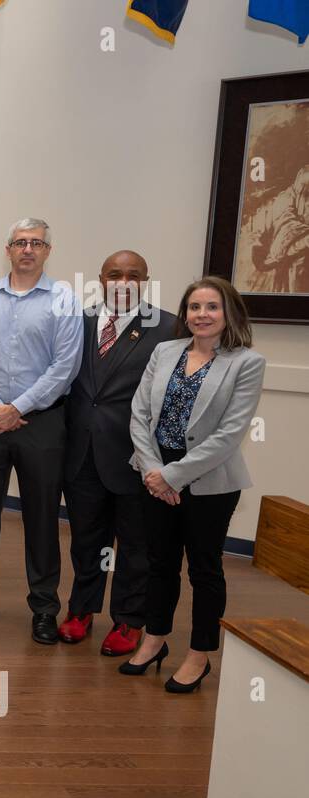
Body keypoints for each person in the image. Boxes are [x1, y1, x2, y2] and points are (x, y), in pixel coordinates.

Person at [125, 277, 265, 693]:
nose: (201, 315)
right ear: (184, 313)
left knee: (204, 570)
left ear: (229, 314)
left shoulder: (246, 362)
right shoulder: (164, 351)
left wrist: (173, 476)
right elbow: (139, 414)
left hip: (208, 482)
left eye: (212, 307)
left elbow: (229, 434)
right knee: (159, 563)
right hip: (153, 474)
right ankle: (155, 638)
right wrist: (154, 472)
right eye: (194, 307)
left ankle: (199, 654)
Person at [0, 218, 82, 644]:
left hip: (40, 422)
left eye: (37, 243)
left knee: (42, 517)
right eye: (20, 242)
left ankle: (44, 607)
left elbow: (65, 367)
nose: (28, 249)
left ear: (48, 250)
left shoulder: (64, 298)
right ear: (7, 249)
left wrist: (18, 407)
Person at [60, 250, 176, 655]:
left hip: (136, 457)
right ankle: (81, 610)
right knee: (85, 539)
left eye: (133, 275)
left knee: (135, 544)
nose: (123, 281)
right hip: (82, 454)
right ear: (101, 278)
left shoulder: (168, 327)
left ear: (145, 280)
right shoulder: (79, 321)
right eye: (114, 274)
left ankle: (128, 620)